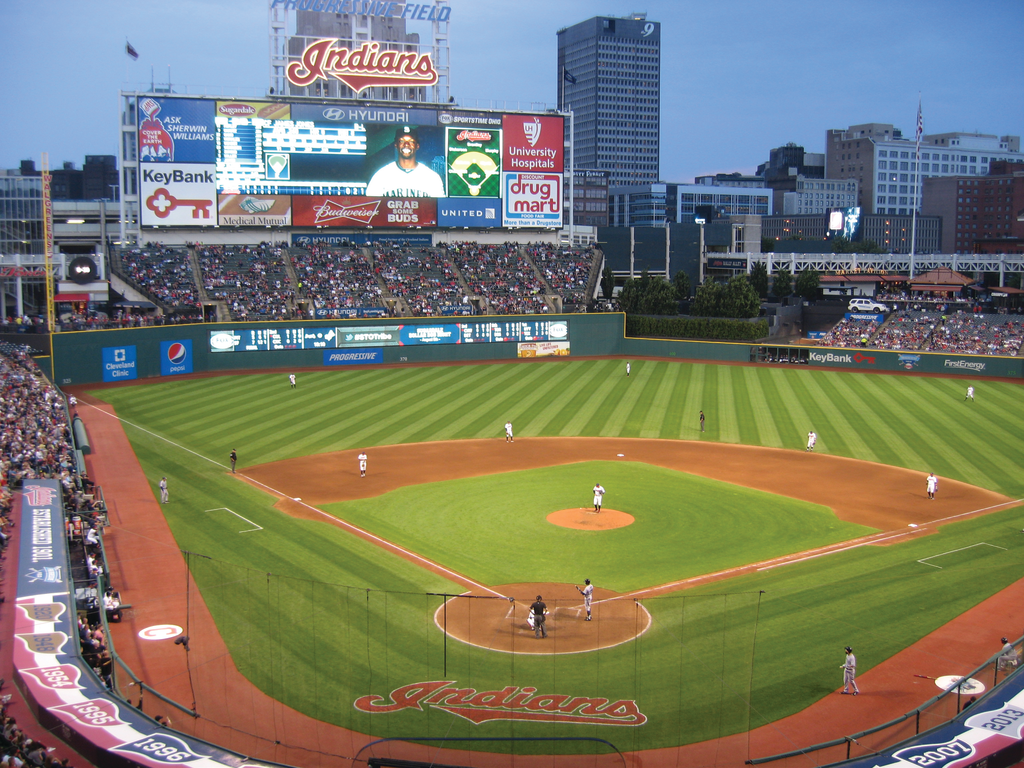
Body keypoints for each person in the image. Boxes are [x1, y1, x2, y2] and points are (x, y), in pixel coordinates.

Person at [365, 126, 445, 198]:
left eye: (411, 141)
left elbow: (440, 209)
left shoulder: (432, 178)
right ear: (396, 145)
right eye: (402, 141)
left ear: (417, 146)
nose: (406, 144)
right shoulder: (381, 176)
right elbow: (370, 207)